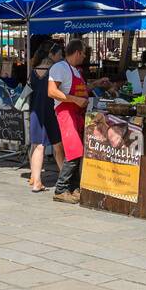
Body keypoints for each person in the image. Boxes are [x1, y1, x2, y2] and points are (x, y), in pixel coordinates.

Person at [48, 39, 89, 204]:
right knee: (74, 150)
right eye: (84, 54)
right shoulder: (60, 67)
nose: (84, 58)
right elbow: (51, 92)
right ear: (78, 52)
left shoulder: (75, 70)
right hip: (65, 112)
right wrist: (76, 100)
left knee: (77, 151)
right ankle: (60, 190)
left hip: (76, 114)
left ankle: (73, 189)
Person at [28, 41, 65, 193]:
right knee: (58, 145)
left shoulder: (34, 70)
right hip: (52, 111)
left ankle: (36, 181)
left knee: (38, 146)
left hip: (36, 111)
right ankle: (65, 178)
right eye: (59, 55)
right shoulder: (54, 71)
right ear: (52, 54)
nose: (61, 58)